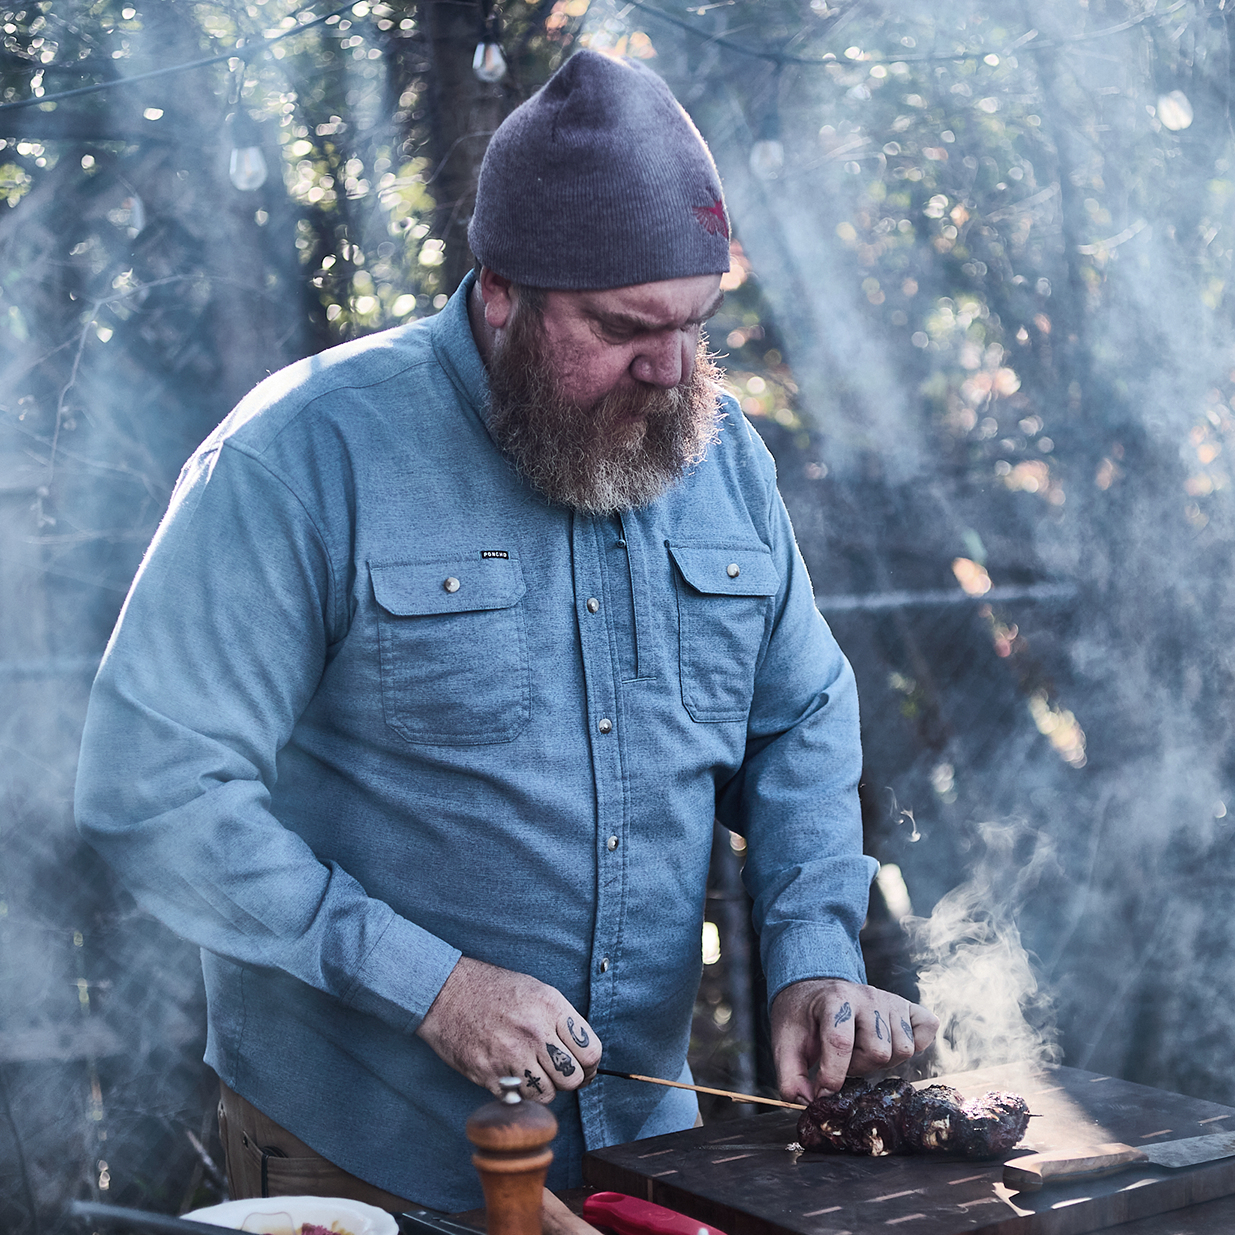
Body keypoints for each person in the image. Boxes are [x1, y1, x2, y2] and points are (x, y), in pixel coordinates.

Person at [74, 49, 937, 1220]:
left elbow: (797, 716)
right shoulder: (301, 457)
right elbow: (153, 783)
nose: (675, 369)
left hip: (646, 1149)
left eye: (695, 322)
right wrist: (430, 985)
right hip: (366, 1158)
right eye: (628, 326)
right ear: (500, 295)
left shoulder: (718, 448)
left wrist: (812, 948)